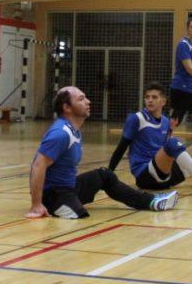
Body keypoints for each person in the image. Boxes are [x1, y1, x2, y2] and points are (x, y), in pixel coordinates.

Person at [26, 86, 178, 219]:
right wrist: (36, 204)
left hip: (70, 187)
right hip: (54, 196)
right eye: (81, 99)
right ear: (67, 107)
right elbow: (38, 165)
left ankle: (151, 201)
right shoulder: (61, 133)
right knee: (80, 215)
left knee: (105, 175)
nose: (88, 102)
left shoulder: (74, 130)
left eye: (85, 98)